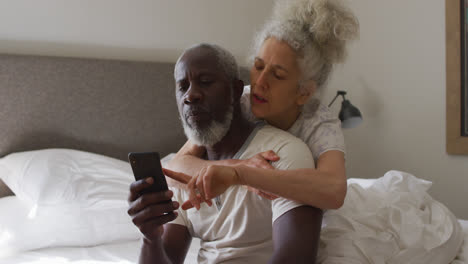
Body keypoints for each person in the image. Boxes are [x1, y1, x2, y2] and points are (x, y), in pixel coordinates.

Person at [127, 44, 322, 263]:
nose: (190, 96)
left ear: (236, 90)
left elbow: (295, 258)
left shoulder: (283, 153)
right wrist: (150, 237)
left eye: (206, 82)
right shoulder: (181, 175)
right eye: (182, 87)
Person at [165, 0, 359, 211]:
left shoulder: (320, 125)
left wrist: (246, 175)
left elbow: (334, 190)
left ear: (303, 92)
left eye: (277, 75)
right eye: (258, 66)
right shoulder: (241, 99)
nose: (260, 82)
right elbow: (176, 166)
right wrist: (234, 168)